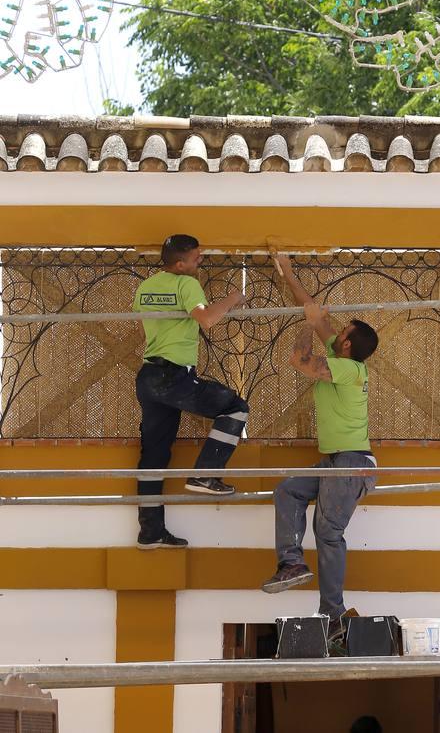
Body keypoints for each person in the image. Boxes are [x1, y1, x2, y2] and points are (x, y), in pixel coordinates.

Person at [262, 254, 379, 640]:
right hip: (335, 461)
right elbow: (316, 315)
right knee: (289, 490)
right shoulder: (342, 354)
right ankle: (292, 564)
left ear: (346, 344)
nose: (335, 332)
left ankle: (333, 615)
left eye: (340, 331)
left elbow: (299, 358)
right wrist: (289, 273)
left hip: (349, 463)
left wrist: (303, 325)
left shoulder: (349, 369)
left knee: (327, 532)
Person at [133, 234, 248, 549]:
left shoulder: (146, 287)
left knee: (153, 457)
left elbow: (148, 328)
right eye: (197, 258)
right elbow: (207, 319)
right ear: (180, 263)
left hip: (149, 376)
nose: (201, 262)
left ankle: (150, 532)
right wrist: (234, 298)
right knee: (235, 408)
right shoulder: (186, 284)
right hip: (173, 375)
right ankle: (205, 475)